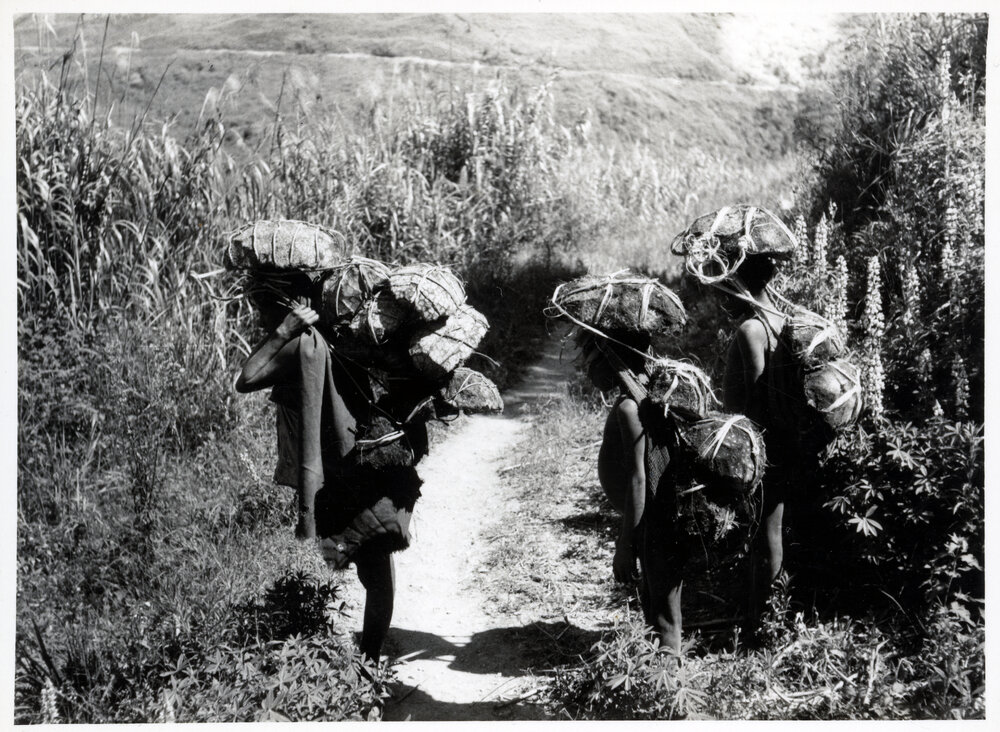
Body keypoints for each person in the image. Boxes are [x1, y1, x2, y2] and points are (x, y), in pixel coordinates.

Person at [235, 276, 427, 663]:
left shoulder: (299, 344)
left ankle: (332, 667)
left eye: (262, 310)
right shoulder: (343, 334)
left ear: (284, 305)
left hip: (342, 475)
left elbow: (247, 378)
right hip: (374, 460)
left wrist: (281, 331)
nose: (260, 320)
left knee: (347, 568)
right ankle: (369, 660)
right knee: (376, 569)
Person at [720, 253, 807, 625]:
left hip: (763, 445)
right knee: (769, 529)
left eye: (726, 288)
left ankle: (765, 620)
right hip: (786, 440)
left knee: (765, 533)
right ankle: (769, 611)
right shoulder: (781, 319)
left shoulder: (751, 329)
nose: (724, 299)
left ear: (740, 284)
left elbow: (757, 393)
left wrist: (743, 446)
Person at [589, 333, 686, 654]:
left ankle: (669, 686)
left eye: (594, 356)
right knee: (655, 605)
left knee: (663, 617)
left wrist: (624, 545)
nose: (589, 368)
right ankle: (662, 676)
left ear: (613, 359)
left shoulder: (631, 407)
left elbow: (638, 481)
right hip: (654, 521)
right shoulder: (643, 395)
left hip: (653, 523)